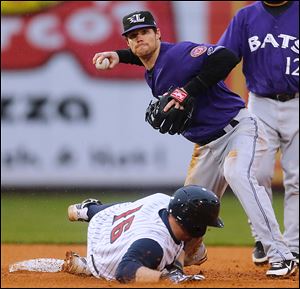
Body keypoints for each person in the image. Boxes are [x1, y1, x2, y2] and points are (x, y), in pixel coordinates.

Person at [91, 10, 298, 277]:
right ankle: (188, 253)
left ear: (158, 34)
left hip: (237, 129)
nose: (138, 38)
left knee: (239, 175)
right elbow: (144, 57)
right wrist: (119, 56)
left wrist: (188, 90)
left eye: (144, 32)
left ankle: (280, 255)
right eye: (132, 36)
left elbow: (225, 57)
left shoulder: (179, 54)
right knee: (184, 208)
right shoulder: (151, 65)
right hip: (205, 145)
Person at [217, 1, 299, 266]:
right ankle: (265, 239)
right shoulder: (245, 17)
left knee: (297, 177)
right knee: (256, 173)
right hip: (260, 102)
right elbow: (221, 57)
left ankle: (295, 245)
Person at [62, 185, 223, 283]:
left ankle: (89, 209)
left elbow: (129, 209)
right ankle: (87, 265)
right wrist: (163, 278)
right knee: (193, 255)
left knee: (132, 207)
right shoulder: (154, 245)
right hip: (103, 257)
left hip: (107, 220)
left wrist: (176, 269)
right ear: (194, 226)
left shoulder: (163, 200)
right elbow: (124, 271)